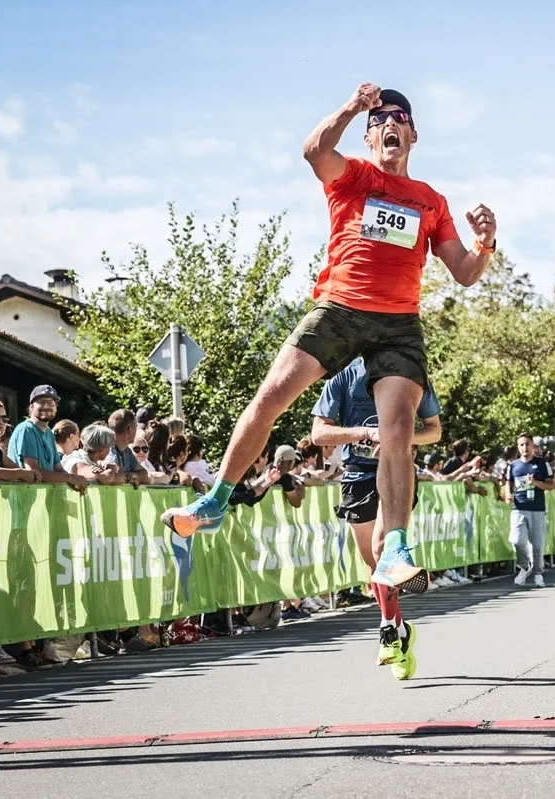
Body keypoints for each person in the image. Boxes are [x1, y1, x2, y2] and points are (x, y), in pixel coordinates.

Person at [161, 83, 497, 595]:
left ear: (413, 134)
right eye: (380, 120)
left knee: (399, 429)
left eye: (400, 118)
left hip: (398, 324)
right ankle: (214, 502)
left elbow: (465, 273)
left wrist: (486, 242)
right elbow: (314, 150)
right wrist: (350, 106)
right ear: (369, 136)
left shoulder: (431, 201)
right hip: (339, 307)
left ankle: (398, 547)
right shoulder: (353, 175)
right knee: (272, 395)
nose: (391, 125)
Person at [311, 356, 441, 679]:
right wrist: (365, 434)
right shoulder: (343, 375)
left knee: (384, 550)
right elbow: (318, 434)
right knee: (375, 569)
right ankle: (401, 629)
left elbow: (434, 431)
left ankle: (386, 632)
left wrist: (398, 439)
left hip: (396, 472)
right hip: (356, 475)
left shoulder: (409, 369)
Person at [6, 386, 87, 493]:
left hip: (40, 499)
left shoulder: (48, 432)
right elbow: (33, 471)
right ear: (31, 407)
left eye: (51, 403)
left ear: (56, 408)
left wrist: (74, 480)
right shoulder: (27, 429)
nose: (46, 406)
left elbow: (58, 468)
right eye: (42, 402)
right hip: (22, 497)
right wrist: (70, 478)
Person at [508, 433, 555, 587]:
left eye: (527, 444)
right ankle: (524, 566)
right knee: (516, 540)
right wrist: (508, 494)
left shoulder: (542, 464)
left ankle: (537, 574)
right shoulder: (513, 466)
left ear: (533, 446)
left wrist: (535, 482)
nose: (524, 448)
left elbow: (551, 485)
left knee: (537, 544)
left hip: (537, 509)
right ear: (518, 447)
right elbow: (508, 483)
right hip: (518, 508)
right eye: (521, 445)